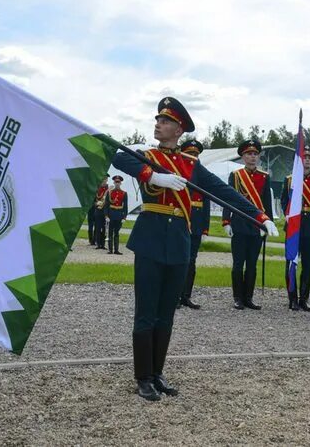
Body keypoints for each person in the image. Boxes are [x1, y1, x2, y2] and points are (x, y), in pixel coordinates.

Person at [113, 97, 278, 401]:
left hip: (179, 241)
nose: (158, 125)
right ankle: (143, 377)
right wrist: (154, 175)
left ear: (178, 129)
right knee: (146, 311)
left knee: (166, 314)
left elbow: (224, 191)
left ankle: (158, 372)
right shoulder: (147, 155)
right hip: (150, 238)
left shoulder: (190, 164)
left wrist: (260, 216)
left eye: (164, 121)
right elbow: (119, 158)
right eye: (158, 120)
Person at [223, 139, 274, 311]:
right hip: (239, 223)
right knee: (238, 263)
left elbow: (267, 202)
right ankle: (238, 298)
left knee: (252, 264)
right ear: (243, 157)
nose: (252, 157)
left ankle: (249, 298)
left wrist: (268, 224)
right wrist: (226, 221)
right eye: (248, 154)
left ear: (258, 157)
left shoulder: (264, 177)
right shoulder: (236, 176)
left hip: (257, 225)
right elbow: (228, 199)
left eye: (255, 154)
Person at [280, 145, 310, 311]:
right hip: (294, 226)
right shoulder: (290, 179)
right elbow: (284, 200)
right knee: (291, 262)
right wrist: (289, 214)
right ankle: (292, 299)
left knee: (307, 265)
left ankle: (304, 299)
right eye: (304, 157)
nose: (307, 160)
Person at [178, 139, 209, 310]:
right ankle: (174, 296)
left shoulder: (202, 175)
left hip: (196, 222)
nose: (194, 157)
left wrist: (205, 228)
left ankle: (186, 296)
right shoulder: (179, 172)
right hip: (181, 219)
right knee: (177, 260)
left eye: (196, 155)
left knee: (192, 261)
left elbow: (206, 203)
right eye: (190, 154)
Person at [105, 175, 128, 255]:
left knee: (117, 233)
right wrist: (106, 216)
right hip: (111, 214)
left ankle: (116, 250)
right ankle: (110, 249)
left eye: (118, 182)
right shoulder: (109, 192)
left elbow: (125, 207)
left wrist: (124, 217)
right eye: (116, 182)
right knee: (110, 232)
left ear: (120, 183)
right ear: (114, 182)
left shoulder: (124, 193)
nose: (117, 183)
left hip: (119, 215)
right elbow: (106, 205)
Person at [92, 175, 110, 249]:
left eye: (105, 179)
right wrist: (96, 204)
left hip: (105, 211)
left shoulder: (109, 189)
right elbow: (93, 200)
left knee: (105, 228)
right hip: (98, 210)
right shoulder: (97, 188)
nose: (104, 180)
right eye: (103, 179)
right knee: (98, 228)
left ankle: (103, 244)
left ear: (107, 180)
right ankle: (98, 244)